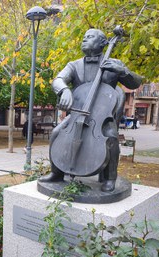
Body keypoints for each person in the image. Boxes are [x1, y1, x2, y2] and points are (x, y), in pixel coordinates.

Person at [40, 28, 142, 192]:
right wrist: (64, 90)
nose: (84, 40)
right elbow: (58, 79)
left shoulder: (114, 64)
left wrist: (123, 71)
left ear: (103, 43)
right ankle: (56, 172)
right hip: (78, 114)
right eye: (84, 37)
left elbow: (135, 83)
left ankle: (109, 178)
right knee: (57, 133)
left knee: (111, 137)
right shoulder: (74, 65)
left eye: (90, 37)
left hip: (102, 116)